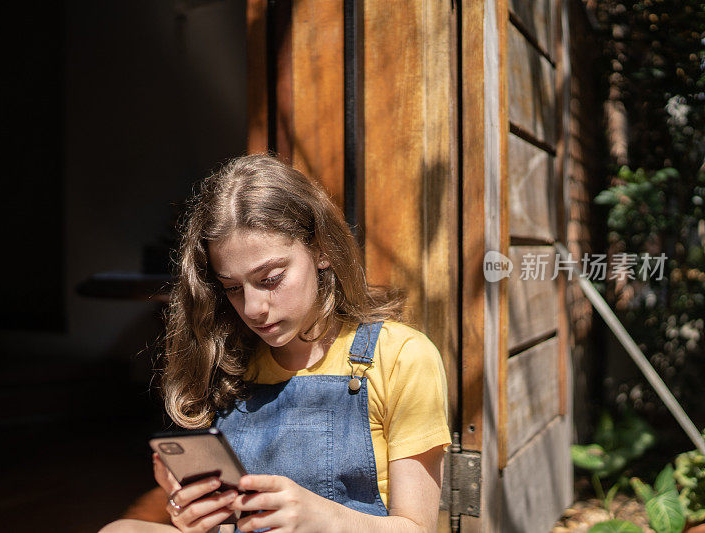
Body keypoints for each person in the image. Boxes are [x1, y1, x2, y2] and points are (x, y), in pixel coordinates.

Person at [101, 154, 451, 533]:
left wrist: (324, 518)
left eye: (269, 279)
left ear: (322, 251)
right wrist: (194, 515)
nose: (252, 309)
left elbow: (418, 528)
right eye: (233, 288)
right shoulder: (229, 359)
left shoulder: (401, 356)